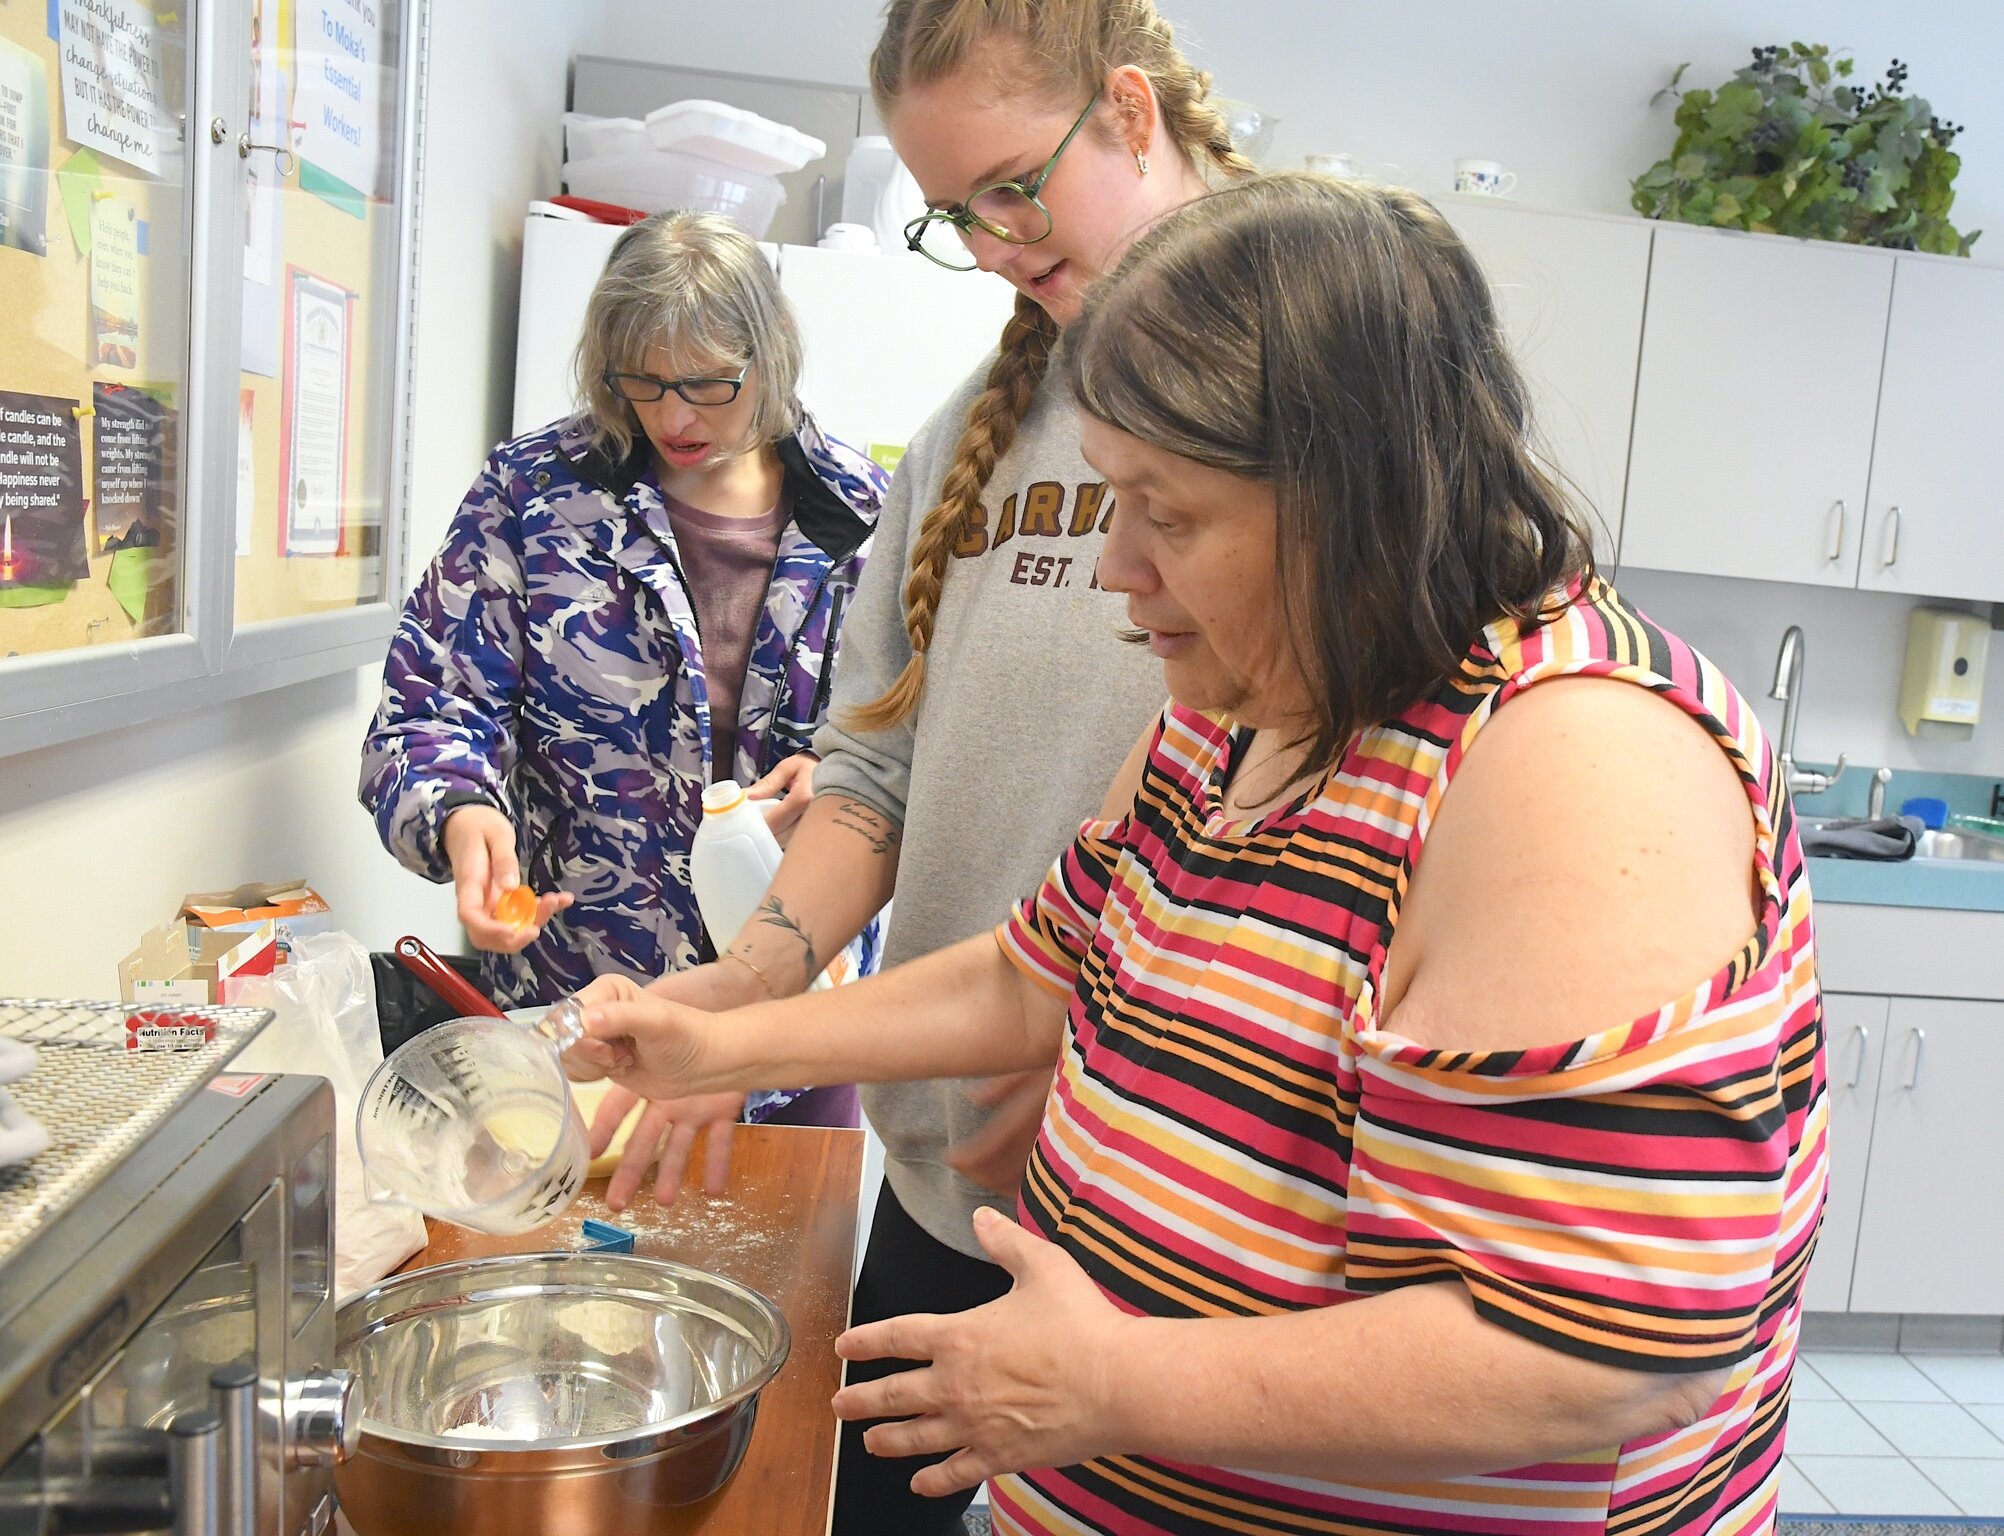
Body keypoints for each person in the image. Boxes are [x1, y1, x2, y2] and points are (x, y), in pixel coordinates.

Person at [568, 174, 1830, 1536]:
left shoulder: (1569, 762)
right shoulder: (1250, 700)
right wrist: (734, 1041)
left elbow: (1605, 1354)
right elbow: (1036, 973)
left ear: (1354, 498)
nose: (1118, 566)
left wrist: (1120, 1386)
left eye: (1162, 511)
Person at [580, 6, 1252, 1530]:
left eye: (1018, 187)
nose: (999, 243)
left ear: (1133, 114)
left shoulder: (1310, 393)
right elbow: (873, 771)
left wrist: (1108, 1052)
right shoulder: (974, 431)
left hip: (1171, 1186)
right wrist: (753, 979)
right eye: (958, 217)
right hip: (954, 1165)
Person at [360, 209, 884, 1131]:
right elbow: (429, 703)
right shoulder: (534, 496)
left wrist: (839, 783)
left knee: (781, 1265)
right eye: (640, 384)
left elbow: (913, 746)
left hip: (796, 1024)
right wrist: (461, 813)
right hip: (581, 1016)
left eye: (709, 385)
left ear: (775, 353)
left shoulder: (864, 515)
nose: (674, 417)